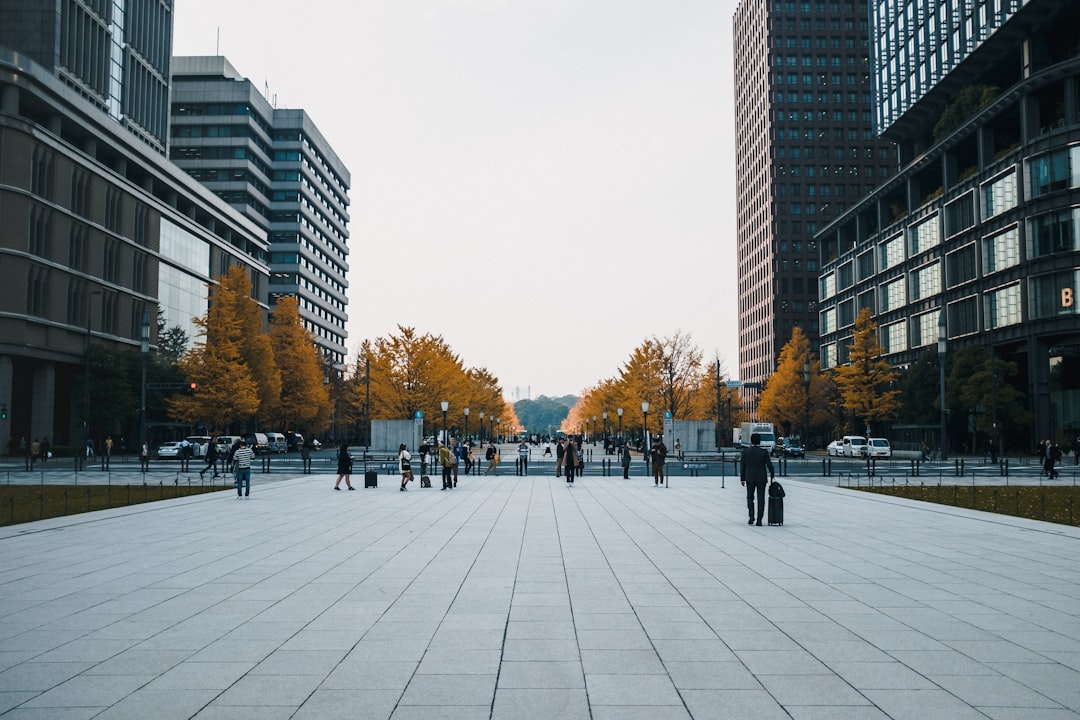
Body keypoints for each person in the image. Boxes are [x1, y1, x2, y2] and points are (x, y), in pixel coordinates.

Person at [741, 432, 775, 526]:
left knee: (750, 497)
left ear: (751, 441)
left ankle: (751, 517)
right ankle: (759, 519)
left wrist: (742, 478)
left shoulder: (746, 452)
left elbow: (743, 466)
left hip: (749, 477)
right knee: (761, 498)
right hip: (761, 477)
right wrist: (772, 474)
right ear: (759, 441)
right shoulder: (764, 452)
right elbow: (769, 465)